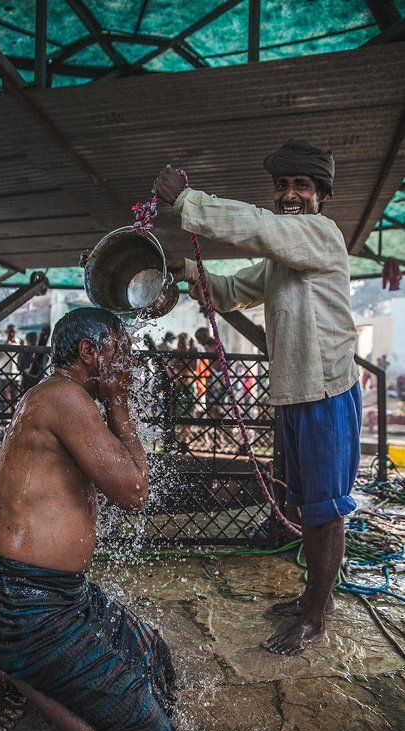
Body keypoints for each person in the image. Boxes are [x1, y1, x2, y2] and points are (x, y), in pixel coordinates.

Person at [153, 139, 361, 656]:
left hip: (327, 391)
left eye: (302, 186)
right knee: (309, 501)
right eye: (283, 185)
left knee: (325, 508)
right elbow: (234, 290)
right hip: (296, 393)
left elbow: (260, 228)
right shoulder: (282, 259)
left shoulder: (320, 234)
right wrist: (190, 276)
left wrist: (188, 203)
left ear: (321, 197)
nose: (290, 194)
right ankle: (316, 596)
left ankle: (316, 614)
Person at [0, 308, 188, 731]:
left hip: (58, 595)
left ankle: (6, 654)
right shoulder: (66, 399)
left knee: (155, 655)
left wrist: (112, 402)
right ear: (89, 353)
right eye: (120, 352)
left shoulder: (59, 397)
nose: (129, 364)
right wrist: (121, 404)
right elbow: (133, 492)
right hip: (30, 608)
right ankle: (3, 665)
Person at [0, 324, 24, 413]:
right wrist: (4, 346)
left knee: (15, 395)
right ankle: (2, 414)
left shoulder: (19, 343)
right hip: (4, 372)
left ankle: (13, 413)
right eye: (9, 332)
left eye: (13, 332)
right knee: (2, 395)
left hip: (16, 374)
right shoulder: (1, 343)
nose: (11, 334)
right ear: (6, 332)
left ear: (15, 332)